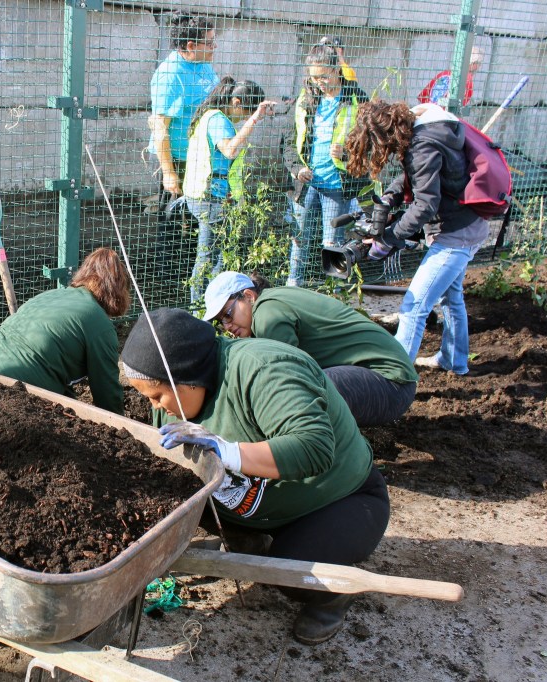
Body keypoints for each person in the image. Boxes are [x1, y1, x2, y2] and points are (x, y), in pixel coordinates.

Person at [120, 308, 390, 644]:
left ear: (185, 375)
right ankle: (249, 539)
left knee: (290, 572)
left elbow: (314, 448)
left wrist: (229, 452)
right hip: (261, 504)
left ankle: (331, 599)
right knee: (180, 487)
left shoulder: (264, 369)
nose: (156, 406)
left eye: (158, 395)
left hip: (340, 500)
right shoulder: (179, 400)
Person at [345, 101, 489, 375]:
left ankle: (394, 379)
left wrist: (388, 239)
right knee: (451, 298)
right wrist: (389, 197)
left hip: (455, 235)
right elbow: (417, 176)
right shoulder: (429, 129)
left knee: (414, 306)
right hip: (468, 225)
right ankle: (454, 361)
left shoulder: (422, 146)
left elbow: (426, 204)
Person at [201, 270, 417, 426]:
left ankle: (339, 465)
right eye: (221, 321)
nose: (227, 326)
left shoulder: (268, 314)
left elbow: (280, 379)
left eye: (228, 314)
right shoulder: (273, 301)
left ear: (248, 296)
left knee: (294, 392)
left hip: (391, 384)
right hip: (382, 381)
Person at [0, 247, 130, 413]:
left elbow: (51, 366)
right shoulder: (100, 324)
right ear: (117, 291)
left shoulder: (51, 295)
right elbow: (107, 392)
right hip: (9, 390)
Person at [283, 41, 374, 287]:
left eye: (323, 76)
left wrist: (347, 153)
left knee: (332, 245)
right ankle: (294, 288)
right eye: (314, 78)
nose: (318, 82)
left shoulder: (357, 98)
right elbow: (290, 140)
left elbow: (371, 145)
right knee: (299, 239)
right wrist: (297, 169)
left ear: (336, 69)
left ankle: (334, 293)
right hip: (308, 184)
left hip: (337, 186)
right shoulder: (307, 98)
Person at [182, 78, 278, 303]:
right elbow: (230, 150)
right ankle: (203, 306)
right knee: (212, 258)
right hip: (208, 198)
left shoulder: (212, 117)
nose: (244, 118)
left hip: (205, 194)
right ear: (235, 102)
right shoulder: (218, 120)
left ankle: (208, 304)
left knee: (212, 255)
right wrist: (254, 120)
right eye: (245, 112)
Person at [148, 14, 220, 275]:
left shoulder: (204, 65)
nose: (214, 47)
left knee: (197, 218)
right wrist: (169, 172)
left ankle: (194, 271)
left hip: (203, 158)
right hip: (180, 159)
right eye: (210, 43)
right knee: (174, 219)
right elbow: (159, 127)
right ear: (191, 46)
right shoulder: (170, 75)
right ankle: (169, 277)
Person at [417, 46, 485, 108]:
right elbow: (459, 107)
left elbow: (423, 97)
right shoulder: (467, 79)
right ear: (474, 64)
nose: (479, 67)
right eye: (479, 64)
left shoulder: (443, 74)